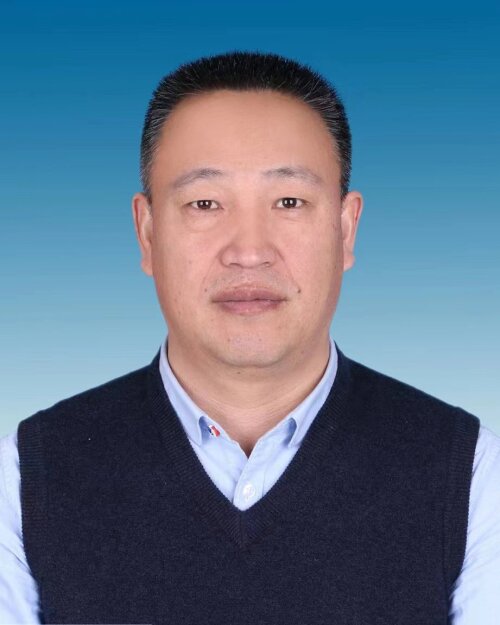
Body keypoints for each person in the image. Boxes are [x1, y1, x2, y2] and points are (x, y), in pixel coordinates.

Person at [1, 50, 499, 625]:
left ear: (345, 229)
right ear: (147, 232)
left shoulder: (469, 473)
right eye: (205, 203)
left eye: (289, 202)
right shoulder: (27, 476)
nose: (249, 251)